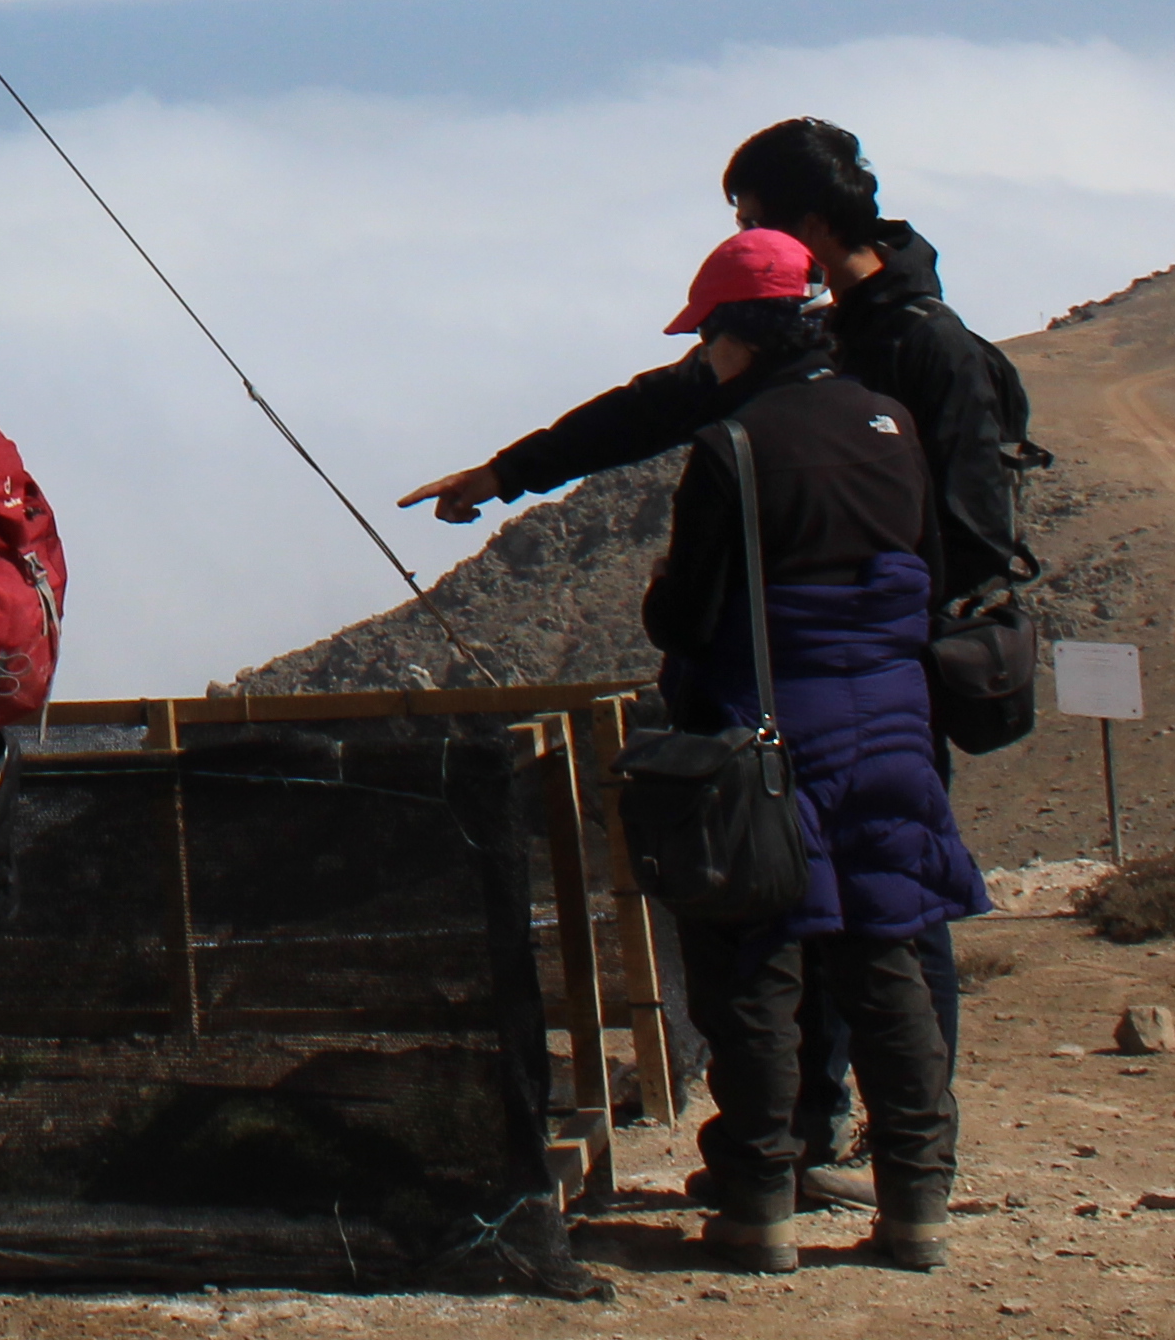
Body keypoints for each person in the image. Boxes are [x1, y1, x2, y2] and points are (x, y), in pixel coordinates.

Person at [393, 116, 1028, 1165]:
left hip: (874, 683)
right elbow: (651, 409)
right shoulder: (802, 337)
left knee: (885, 922)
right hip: (858, 688)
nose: (741, 234)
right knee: (848, 907)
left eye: (749, 218)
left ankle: (872, 1148)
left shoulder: (923, 351)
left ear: (808, 226)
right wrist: (508, 473)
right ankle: (860, 1147)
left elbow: (969, 535)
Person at [631, 227, 985, 1275]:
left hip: (769, 745)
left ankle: (760, 1207)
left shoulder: (730, 446)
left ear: (737, 336)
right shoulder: (891, 423)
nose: (703, 359)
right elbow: (926, 562)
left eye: (708, 340)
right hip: (895, 735)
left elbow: (687, 619)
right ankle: (917, 1209)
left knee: (756, 974)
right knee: (887, 962)